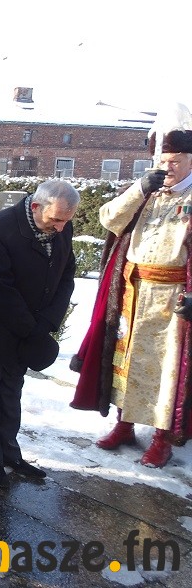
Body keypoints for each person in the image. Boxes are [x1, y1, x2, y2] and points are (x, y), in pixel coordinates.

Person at [73, 129, 192, 468]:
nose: (167, 167)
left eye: (175, 162)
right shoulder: (146, 191)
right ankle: (124, 425)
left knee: (166, 368)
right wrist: (139, 189)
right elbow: (109, 219)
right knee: (125, 361)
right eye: (163, 161)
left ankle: (161, 438)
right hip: (131, 292)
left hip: (172, 298)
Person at [0, 179, 78, 489]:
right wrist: (32, 328)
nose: (61, 227)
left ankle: (10, 454)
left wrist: (47, 322)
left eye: (66, 221)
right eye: (56, 220)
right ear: (36, 207)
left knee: (11, 395)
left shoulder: (61, 226)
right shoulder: (1, 227)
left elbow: (67, 275)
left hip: (29, 333)